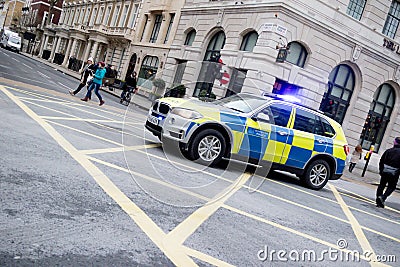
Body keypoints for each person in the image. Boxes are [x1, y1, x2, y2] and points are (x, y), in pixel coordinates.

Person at [376, 137, 400, 208]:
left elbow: (381, 161)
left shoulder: (388, 151)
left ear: (395, 142)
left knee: (381, 185)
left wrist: (381, 170)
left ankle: (379, 199)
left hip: (385, 171)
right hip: (395, 173)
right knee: (391, 187)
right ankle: (383, 197)